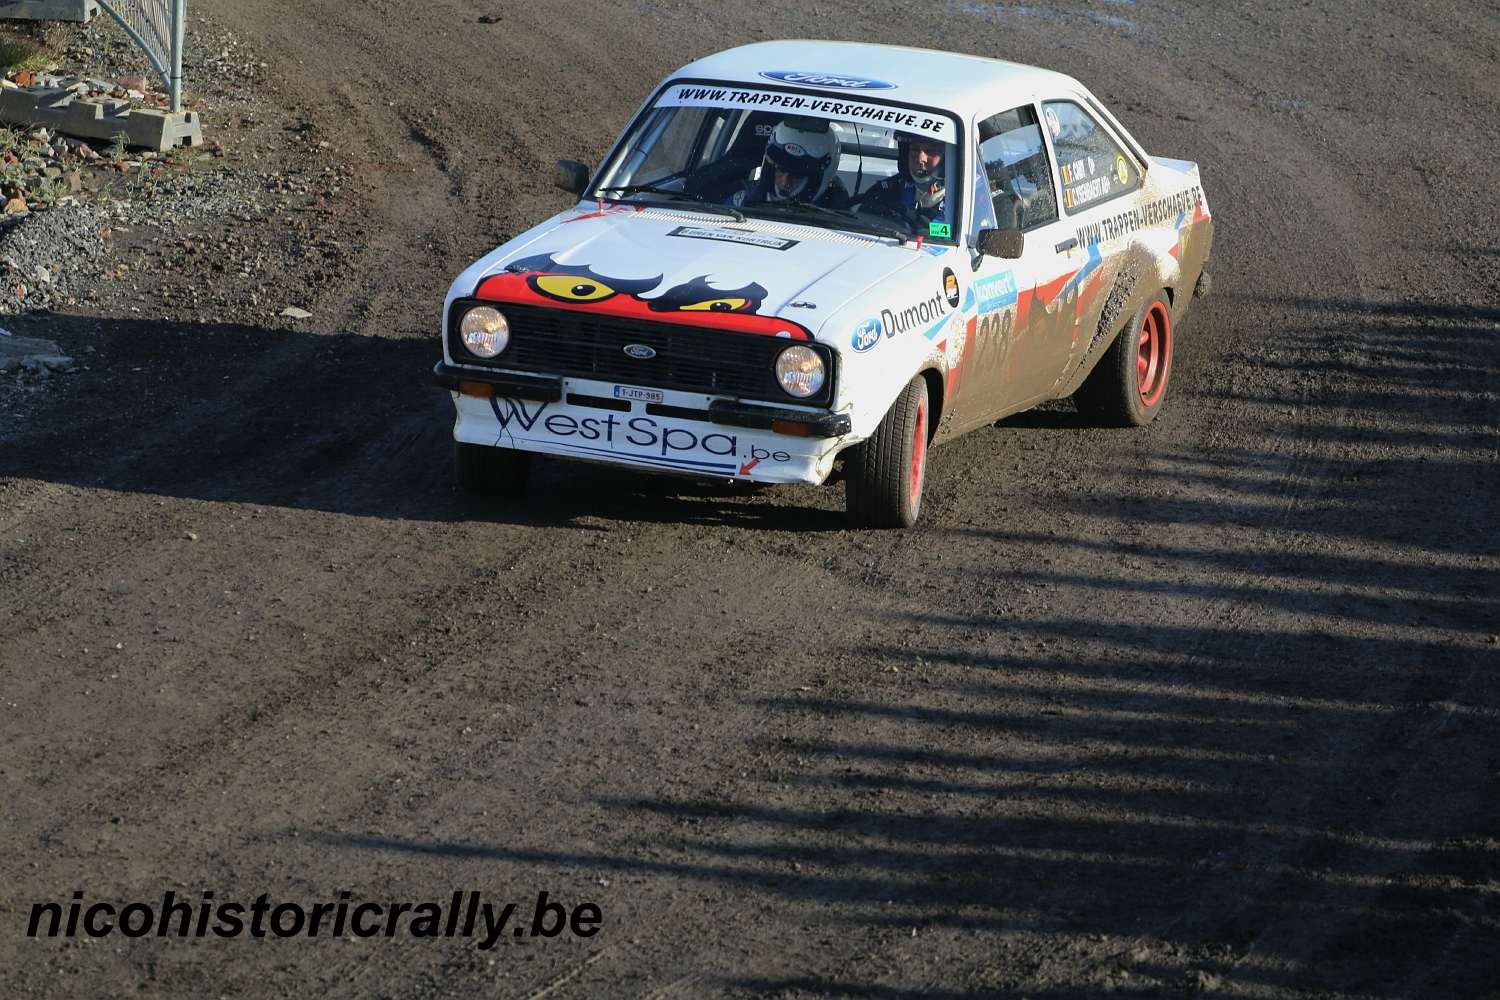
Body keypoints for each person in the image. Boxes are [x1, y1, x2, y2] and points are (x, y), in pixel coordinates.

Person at [729, 118, 850, 209]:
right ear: (769, 170)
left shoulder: (839, 216)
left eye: (796, 176)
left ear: (817, 179)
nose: (785, 181)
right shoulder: (743, 200)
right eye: (780, 170)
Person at [851, 132, 950, 228]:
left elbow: (950, 235)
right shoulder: (886, 190)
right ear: (905, 154)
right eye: (915, 150)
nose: (920, 159)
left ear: (946, 158)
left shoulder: (960, 199)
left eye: (930, 151)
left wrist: (931, 231)